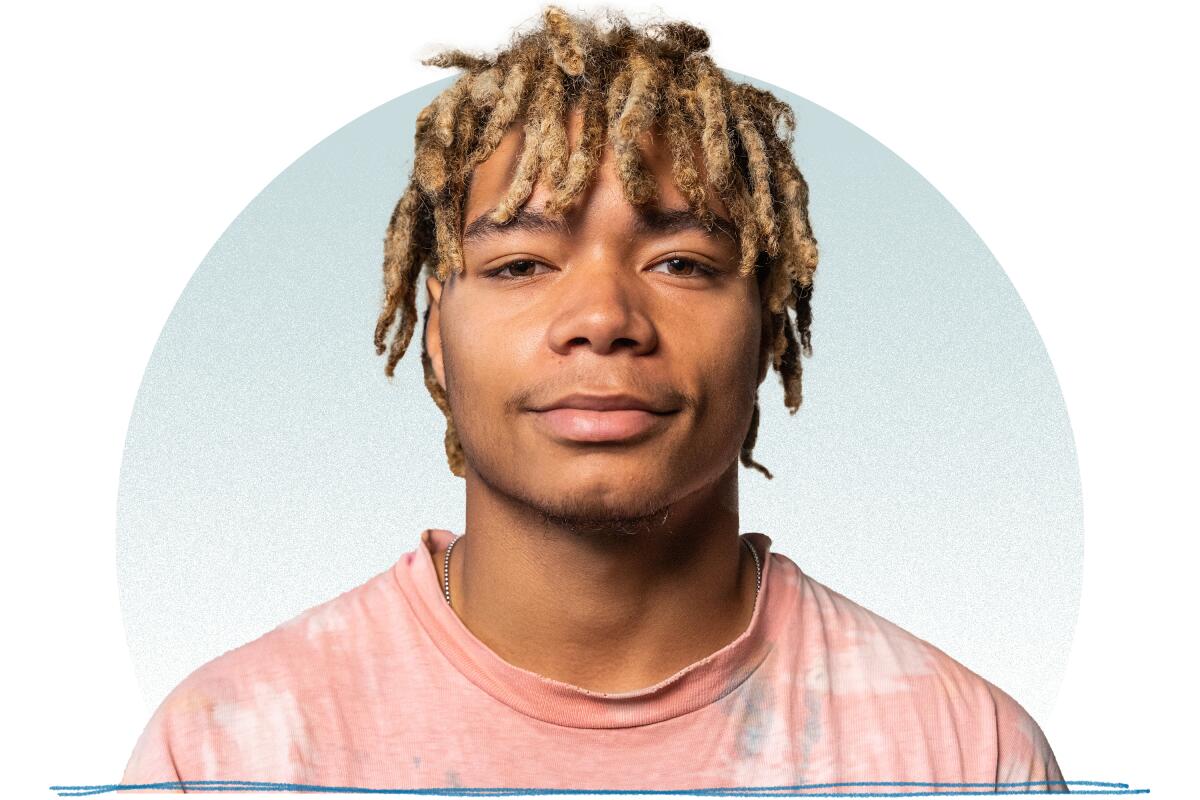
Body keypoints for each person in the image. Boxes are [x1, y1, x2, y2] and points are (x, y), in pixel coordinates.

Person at [121, 6, 1063, 793]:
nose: (602, 318)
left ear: (770, 328)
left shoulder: (964, 756)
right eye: (522, 263)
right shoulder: (226, 754)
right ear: (437, 337)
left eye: (682, 263)